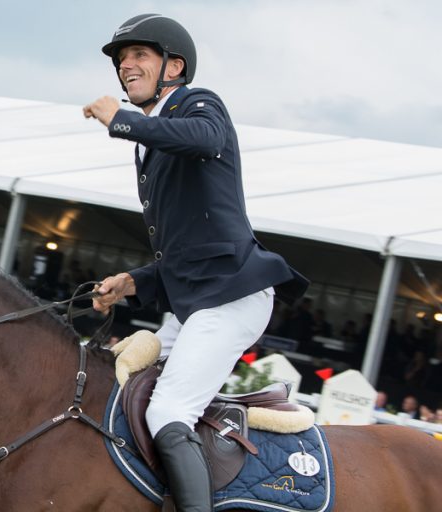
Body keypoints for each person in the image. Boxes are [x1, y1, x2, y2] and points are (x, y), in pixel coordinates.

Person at [84, 14, 308, 512]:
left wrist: (120, 120)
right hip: (197, 302)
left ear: (174, 65)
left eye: (139, 55)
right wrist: (132, 283)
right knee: (119, 384)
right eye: (122, 60)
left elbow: (205, 138)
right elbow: (185, 250)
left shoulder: (199, 103)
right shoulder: (154, 143)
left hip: (232, 297)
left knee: (168, 409)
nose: (126, 66)